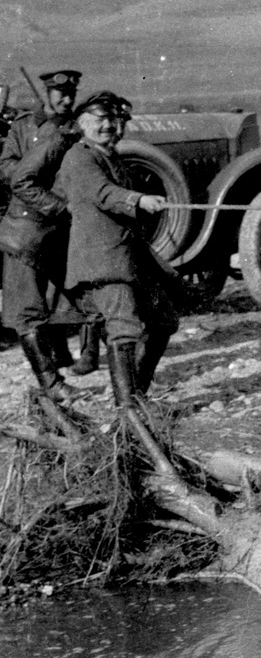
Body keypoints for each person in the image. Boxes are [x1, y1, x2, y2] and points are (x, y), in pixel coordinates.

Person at [58, 91, 175, 406]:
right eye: (100, 120)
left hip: (127, 256)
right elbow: (102, 193)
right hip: (103, 259)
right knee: (123, 329)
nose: (108, 126)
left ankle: (136, 394)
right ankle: (128, 410)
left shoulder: (112, 156)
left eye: (113, 119)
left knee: (163, 320)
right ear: (82, 124)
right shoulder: (79, 156)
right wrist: (138, 199)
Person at [0, 69, 100, 375]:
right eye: (60, 94)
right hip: (31, 217)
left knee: (82, 294)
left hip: (63, 226)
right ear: (46, 94)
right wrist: (35, 168)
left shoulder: (77, 129)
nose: (66, 99)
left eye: (71, 94)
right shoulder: (25, 126)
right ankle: (54, 373)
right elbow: (8, 167)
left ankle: (85, 358)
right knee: (32, 303)